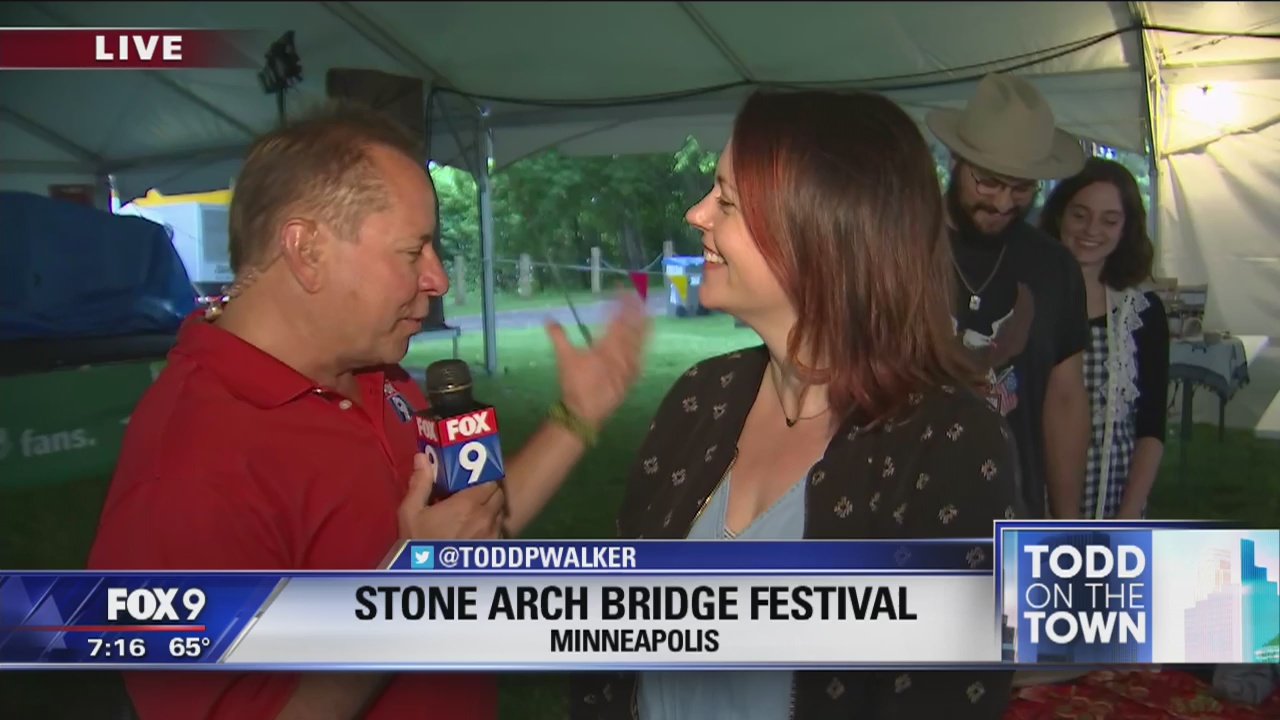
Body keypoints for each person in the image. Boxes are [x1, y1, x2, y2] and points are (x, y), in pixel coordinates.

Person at [87, 103, 650, 720]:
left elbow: (465, 534)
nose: (437, 278)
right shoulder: (186, 471)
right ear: (307, 251)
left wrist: (577, 416)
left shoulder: (380, 379)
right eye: (413, 251)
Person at [570, 90, 1023, 720]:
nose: (697, 214)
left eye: (726, 200)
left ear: (819, 232)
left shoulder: (947, 443)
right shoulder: (701, 398)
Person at [926, 73, 1091, 520]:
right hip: (903, 511)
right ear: (956, 158)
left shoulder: (1055, 268)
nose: (1002, 203)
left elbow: (1065, 400)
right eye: (988, 183)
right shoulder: (898, 246)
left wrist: (1067, 523)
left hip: (1015, 512)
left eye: (1022, 188)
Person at [1039, 157, 1169, 519]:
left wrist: (1128, 516)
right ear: (1059, 216)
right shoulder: (1028, 302)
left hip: (1115, 501)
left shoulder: (1142, 313)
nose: (1091, 229)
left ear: (1126, 228)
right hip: (1035, 500)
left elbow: (1151, 429)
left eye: (1110, 220)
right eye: (1080, 215)